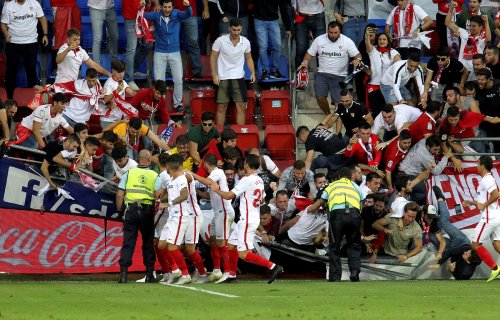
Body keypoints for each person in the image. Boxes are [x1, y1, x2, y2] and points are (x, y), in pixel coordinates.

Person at [210, 154, 284, 284]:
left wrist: (216, 190)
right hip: (251, 218)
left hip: (247, 219)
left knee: (243, 254)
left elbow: (228, 196)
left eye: (244, 162)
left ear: (247, 164)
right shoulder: (259, 180)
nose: (243, 165)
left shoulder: (246, 179)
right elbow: (261, 199)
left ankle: (273, 266)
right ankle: (232, 276)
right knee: (231, 246)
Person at [297, 21, 362, 115]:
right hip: (322, 74)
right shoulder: (319, 40)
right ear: (328, 31)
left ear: (340, 31)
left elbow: (358, 55)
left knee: (339, 103)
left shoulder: (347, 41)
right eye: (330, 32)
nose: (332, 35)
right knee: (320, 97)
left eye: (335, 33)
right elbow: (309, 53)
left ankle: (337, 120)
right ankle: (327, 114)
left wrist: (358, 59)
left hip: (340, 76)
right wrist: (304, 62)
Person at [116, 150, 161, 283]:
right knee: (148, 243)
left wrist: (120, 212)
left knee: (128, 243)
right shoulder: (155, 175)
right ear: (149, 160)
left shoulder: (129, 173)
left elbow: (119, 194)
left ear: (138, 159)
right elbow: (158, 195)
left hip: (131, 211)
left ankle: (123, 275)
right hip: (147, 211)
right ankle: (149, 275)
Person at [190, 154, 235, 283]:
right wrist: (195, 191)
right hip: (217, 213)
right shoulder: (215, 175)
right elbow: (209, 195)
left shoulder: (218, 172)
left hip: (225, 212)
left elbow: (208, 182)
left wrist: (192, 174)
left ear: (205, 164)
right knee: (213, 241)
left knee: (221, 242)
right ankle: (216, 270)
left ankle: (227, 272)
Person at [144, 0, 192, 112]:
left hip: (175, 52)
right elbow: (144, 15)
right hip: (159, 52)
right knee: (159, 81)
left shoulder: (177, 14)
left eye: (169, 7)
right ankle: (160, 104)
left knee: (178, 79)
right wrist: (144, 6)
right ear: (161, 7)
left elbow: (188, 14)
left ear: (173, 7)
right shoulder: (156, 15)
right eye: (165, 7)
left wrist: (188, 6)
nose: (167, 9)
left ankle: (177, 104)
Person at [427, 186, 482, 280]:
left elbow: (460, 277)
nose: (466, 252)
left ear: (468, 262)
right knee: (444, 222)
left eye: (466, 254)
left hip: (451, 249)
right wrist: (438, 264)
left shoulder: (467, 272)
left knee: (431, 237)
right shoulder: (465, 249)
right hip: (460, 241)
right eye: (468, 252)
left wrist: (452, 270)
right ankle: (441, 200)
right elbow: (448, 253)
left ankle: (432, 221)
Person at [210, 17, 255, 125]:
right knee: (221, 107)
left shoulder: (246, 42)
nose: (236, 32)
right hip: (222, 77)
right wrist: (214, 74)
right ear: (229, 28)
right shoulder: (220, 41)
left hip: (239, 78)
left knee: (241, 107)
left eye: (238, 30)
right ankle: (219, 137)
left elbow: (249, 58)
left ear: (241, 29)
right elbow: (212, 57)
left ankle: (240, 135)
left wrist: (253, 72)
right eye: (234, 30)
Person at [321, 166, 363, 282]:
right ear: (351, 177)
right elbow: (361, 201)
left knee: (335, 247)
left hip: (337, 216)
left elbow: (322, 199)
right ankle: (354, 271)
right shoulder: (356, 186)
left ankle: (335, 277)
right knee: (354, 244)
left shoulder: (332, 185)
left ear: (339, 176)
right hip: (354, 215)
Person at [462, 156, 500, 282]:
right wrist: (472, 203)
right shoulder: (488, 178)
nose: (477, 166)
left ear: (483, 165)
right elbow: (484, 200)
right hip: (496, 214)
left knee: (475, 244)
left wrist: (483, 205)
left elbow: (496, 195)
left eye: (478, 164)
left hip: (489, 217)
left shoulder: (487, 179)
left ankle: (495, 268)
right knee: (497, 244)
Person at [1, 0, 49, 98]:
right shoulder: (8, 6)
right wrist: (6, 35)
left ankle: (33, 100)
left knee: (31, 70)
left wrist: (45, 34)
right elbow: (3, 23)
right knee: (11, 71)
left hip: (31, 42)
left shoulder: (34, 4)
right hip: (13, 43)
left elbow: (43, 19)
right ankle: (9, 99)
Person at [157, 154, 191, 284]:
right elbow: (170, 196)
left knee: (172, 247)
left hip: (180, 216)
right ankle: (176, 271)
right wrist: (159, 200)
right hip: (172, 217)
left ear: (171, 168)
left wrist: (169, 204)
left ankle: (186, 274)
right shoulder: (171, 181)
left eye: (167, 169)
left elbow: (184, 195)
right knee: (161, 245)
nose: (166, 171)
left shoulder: (182, 179)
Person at [364, 29, 401, 116]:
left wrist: (396, 60)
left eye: (384, 39)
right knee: (375, 110)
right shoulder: (373, 50)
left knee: (388, 110)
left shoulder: (392, 51)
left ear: (388, 41)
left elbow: (398, 60)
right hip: (374, 84)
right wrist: (367, 36)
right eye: (380, 39)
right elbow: (367, 44)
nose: (382, 41)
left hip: (387, 85)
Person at [253, 0, 291, 80]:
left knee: (277, 45)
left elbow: (283, 8)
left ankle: (275, 71)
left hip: (273, 21)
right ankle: (265, 71)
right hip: (259, 20)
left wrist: (288, 27)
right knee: (263, 46)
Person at [98, 60, 137, 129]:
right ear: (113, 71)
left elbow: (131, 93)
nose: (121, 74)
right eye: (119, 72)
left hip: (118, 119)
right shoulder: (109, 83)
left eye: (123, 72)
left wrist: (143, 92)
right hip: (108, 120)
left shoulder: (122, 81)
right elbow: (105, 100)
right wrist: (116, 91)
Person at [292, 0, 326, 69]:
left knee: (321, 48)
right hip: (301, 16)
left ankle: (322, 75)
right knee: (301, 48)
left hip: (318, 15)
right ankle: (300, 76)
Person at [88, 0, 118, 65]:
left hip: (110, 8)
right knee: (97, 38)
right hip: (95, 8)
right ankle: (97, 67)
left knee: (115, 36)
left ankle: (115, 64)